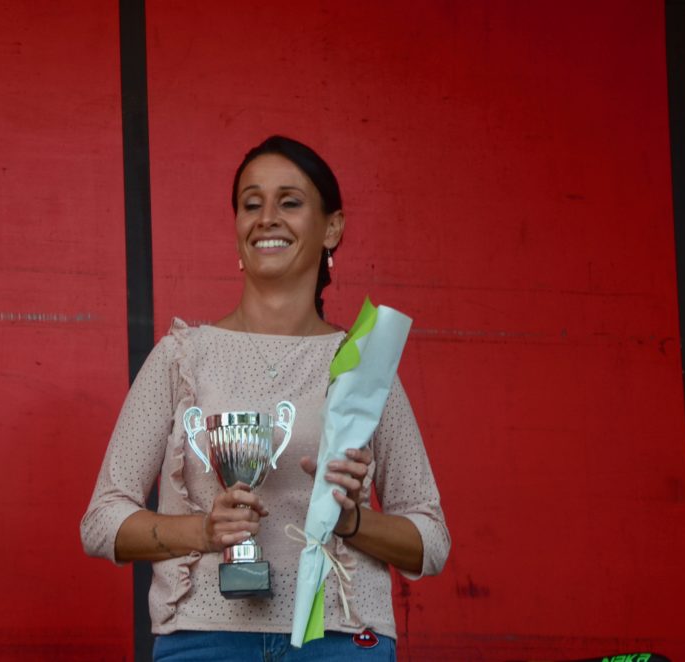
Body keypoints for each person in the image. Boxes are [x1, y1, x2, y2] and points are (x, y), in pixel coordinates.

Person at [81, 135, 450, 661]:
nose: (267, 218)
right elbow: (101, 522)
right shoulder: (182, 357)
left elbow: (431, 541)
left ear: (332, 228)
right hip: (204, 640)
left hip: (341, 641)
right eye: (251, 204)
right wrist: (203, 531)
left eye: (290, 202)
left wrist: (350, 522)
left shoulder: (361, 366)